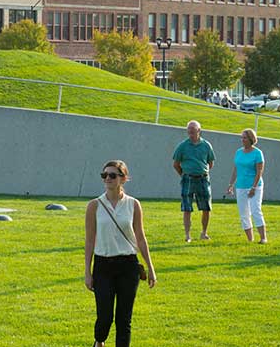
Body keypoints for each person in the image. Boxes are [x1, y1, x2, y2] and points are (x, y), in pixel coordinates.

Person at [84, 160, 157, 347]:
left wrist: (150, 267)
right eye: (104, 175)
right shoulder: (94, 205)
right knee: (105, 317)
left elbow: (140, 238)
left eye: (112, 175)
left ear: (123, 178)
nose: (107, 178)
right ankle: (99, 340)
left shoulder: (133, 204)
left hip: (128, 266)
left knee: (124, 319)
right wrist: (87, 271)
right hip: (103, 265)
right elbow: (90, 240)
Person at [173, 120, 215, 243]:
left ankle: (204, 233)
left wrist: (202, 172)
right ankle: (187, 235)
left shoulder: (206, 145)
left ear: (199, 131)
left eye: (193, 132)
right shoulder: (182, 146)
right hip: (188, 178)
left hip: (203, 178)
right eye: (189, 132)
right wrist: (184, 174)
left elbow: (210, 162)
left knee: (206, 207)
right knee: (187, 207)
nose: (190, 134)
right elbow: (176, 164)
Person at [225, 128, 267, 243]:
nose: (242, 140)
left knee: (255, 210)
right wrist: (231, 184)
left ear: (251, 139)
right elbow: (236, 169)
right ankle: (250, 239)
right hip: (241, 186)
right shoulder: (238, 152)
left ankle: (263, 238)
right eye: (241, 137)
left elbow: (259, 172)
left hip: (255, 186)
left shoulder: (258, 153)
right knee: (244, 213)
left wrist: (253, 188)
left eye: (244, 138)